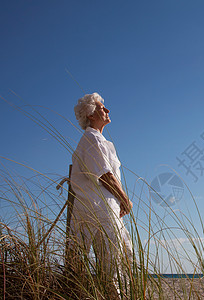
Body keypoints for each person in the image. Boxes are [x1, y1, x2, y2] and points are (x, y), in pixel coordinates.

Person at [68, 92, 133, 295]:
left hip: (105, 211)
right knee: (114, 268)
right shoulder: (91, 140)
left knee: (123, 260)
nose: (107, 110)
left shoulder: (98, 140)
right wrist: (126, 201)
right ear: (90, 115)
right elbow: (105, 175)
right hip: (99, 212)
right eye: (101, 107)